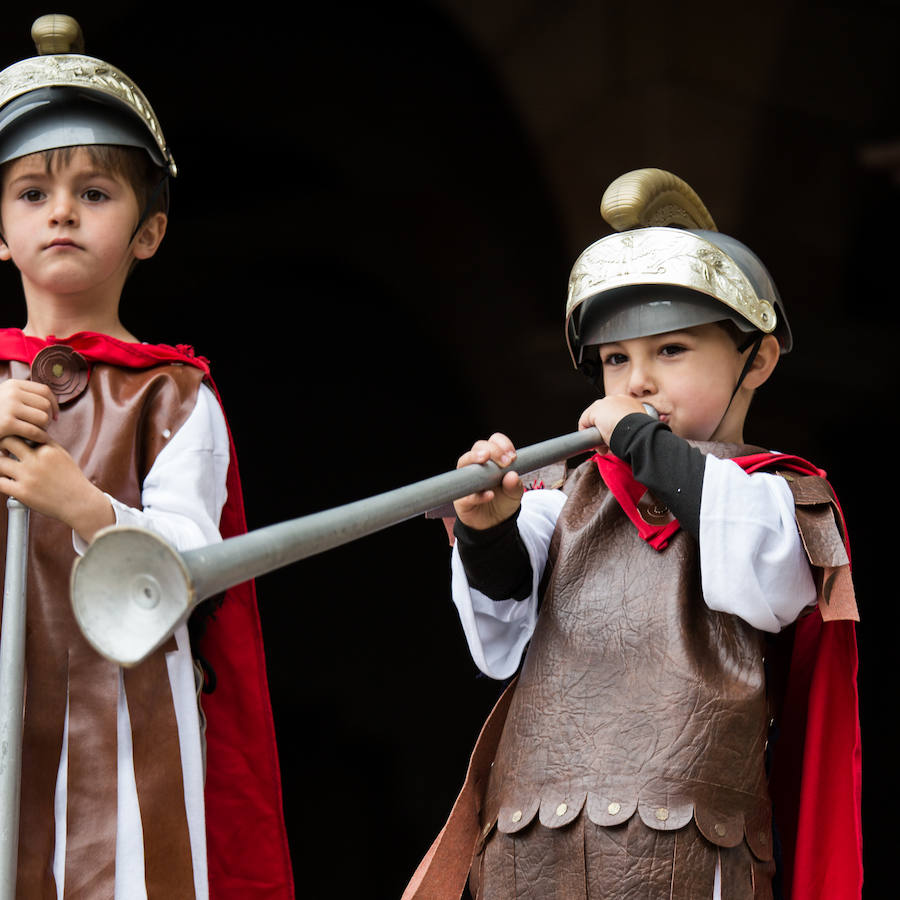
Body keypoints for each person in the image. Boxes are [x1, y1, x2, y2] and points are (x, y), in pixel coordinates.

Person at [403, 168, 861, 899]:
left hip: (688, 844)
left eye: (670, 351)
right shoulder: (565, 495)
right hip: (532, 840)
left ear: (759, 357)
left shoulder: (777, 496)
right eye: (616, 360)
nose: (636, 380)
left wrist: (637, 442)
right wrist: (488, 527)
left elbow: (755, 564)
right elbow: (504, 631)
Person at [0, 15, 293, 898]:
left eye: (95, 193)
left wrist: (81, 502)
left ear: (148, 231)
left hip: (124, 733)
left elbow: (193, 565)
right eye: (30, 193)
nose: (60, 211)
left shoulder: (173, 396)